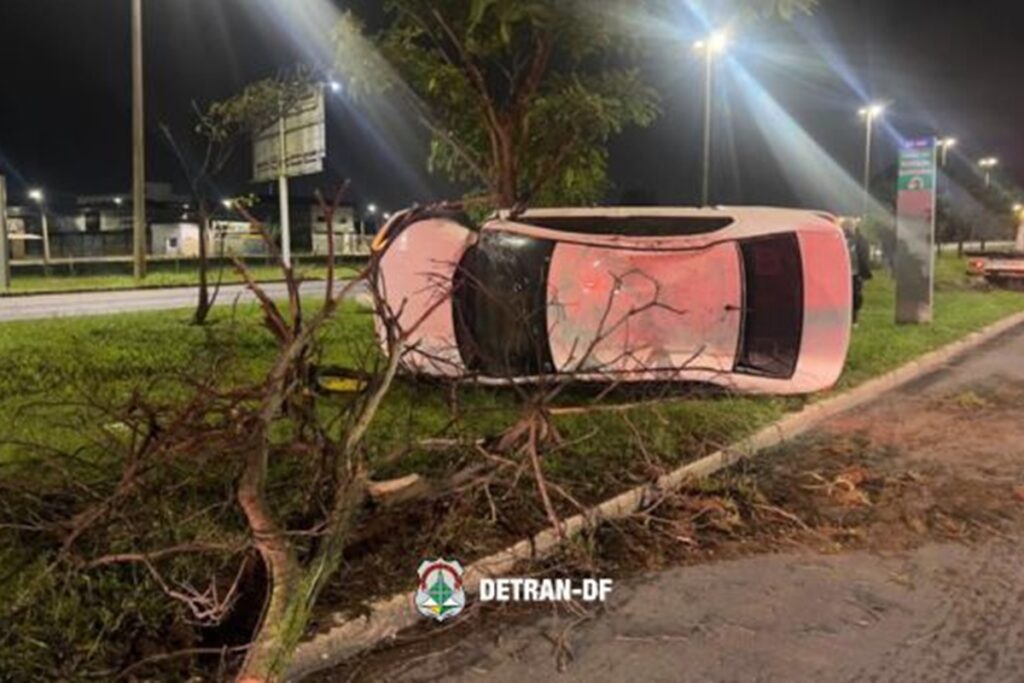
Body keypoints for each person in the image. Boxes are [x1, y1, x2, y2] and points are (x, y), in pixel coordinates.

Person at [842, 218, 874, 325]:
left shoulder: (861, 240)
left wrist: (864, 273)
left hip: (855, 273)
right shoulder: (839, 238)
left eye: (849, 227)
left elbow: (864, 257)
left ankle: (854, 319)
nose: (847, 229)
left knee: (855, 296)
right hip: (841, 273)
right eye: (845, 227)